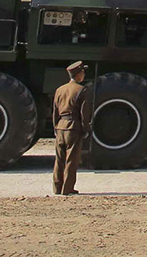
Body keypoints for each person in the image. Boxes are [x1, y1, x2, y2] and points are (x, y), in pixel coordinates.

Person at [52, 60, 92, 195]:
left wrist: (56, 128)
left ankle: (57, 187)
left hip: (60, 126)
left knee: (59, 159)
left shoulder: (59, 90)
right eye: (83, 72)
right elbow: (84, 113)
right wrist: (86, 129)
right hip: (74, 127)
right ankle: (67, 189)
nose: (84, 75)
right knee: (71, 160)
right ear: (78, 74)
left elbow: (55, 112)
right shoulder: (81, 90)